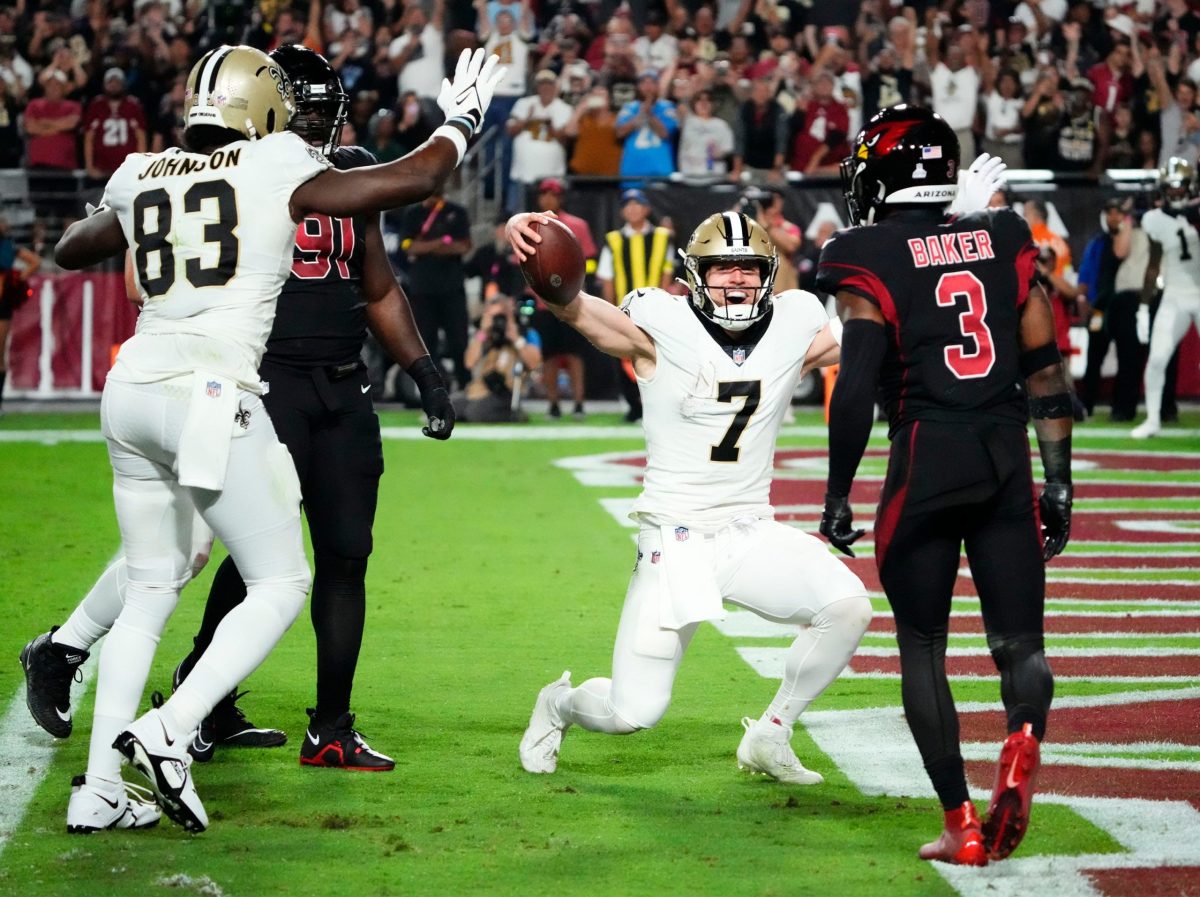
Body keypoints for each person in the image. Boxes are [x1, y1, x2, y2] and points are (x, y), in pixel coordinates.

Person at [39, 44, 503, 834]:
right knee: (282, 580)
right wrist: (464, 117)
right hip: (210, 388)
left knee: (157, 581)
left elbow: (73, 247)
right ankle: (172, 728)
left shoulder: (141, 170)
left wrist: (150, 209)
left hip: (130, 391)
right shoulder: (275, 162)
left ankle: (100, 784)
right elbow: (421, 176)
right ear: (263, 108)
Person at [509, 207, 872, 783]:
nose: (736, 279)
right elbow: (575, 307)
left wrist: (918, 241)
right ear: (693, 273)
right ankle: (559, 703)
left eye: (748, 269)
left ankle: (771, 734)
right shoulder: (661, 322)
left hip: (749, 530)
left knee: (848, 607)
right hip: (675, 537)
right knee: (632, 713)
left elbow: (874, 327)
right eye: (722, 267)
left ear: (769, 273)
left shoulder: (794, 322)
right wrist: (538, 261)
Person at [817, 105, 1073, 866]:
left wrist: (836, 494)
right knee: (1021, 644)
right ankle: (1023, 739)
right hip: (1005, 456)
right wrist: (1058, 483)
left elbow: (856, 384)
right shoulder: (1004, 237)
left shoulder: (861, 252)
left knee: (923, 645)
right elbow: (1047, 370)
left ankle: (961, 822)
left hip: (926, 457)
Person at [1133, 157, 1200, 438]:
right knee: (1158, 357)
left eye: (1180, 186)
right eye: (1170, 187)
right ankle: (1153, 419)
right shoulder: (1153, 219)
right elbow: (1153, 265)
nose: (1175, 192)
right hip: (1174, 294)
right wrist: (1144, 308)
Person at [596, 188, 675, 422]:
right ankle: (633, 405)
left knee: (659, 358)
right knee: (623, 358)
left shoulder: (662, 237)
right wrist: (612, 311)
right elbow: (607, 278)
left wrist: (664, 307)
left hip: (655, 311)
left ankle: (657, 404)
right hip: (625, 311)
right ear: (622, 211)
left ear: (647, 209)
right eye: (627, 205)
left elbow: (666, 273)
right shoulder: (614, 240)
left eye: (637, 204)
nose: (632, 209)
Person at [530, 178, 597, 419]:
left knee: (574, 354)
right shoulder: (531, 224)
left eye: (553, 195)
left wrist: (576, 287)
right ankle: (553, 404)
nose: (548, 199)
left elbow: (588, 260)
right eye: (544, 195)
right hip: (543, 301)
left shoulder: (577, 225)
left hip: (571, 300)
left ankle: (579, 403)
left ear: (560, 198)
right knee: (548, 355)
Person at [396, 186, 473, 389]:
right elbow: (406, 247)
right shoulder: (412, 214)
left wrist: (424, 247)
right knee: (425, 342)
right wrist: (440, 243)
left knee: (459, 341)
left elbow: (463, 246)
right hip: (422, 289)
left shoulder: (456, 212)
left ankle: (465, 386)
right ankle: (432, 388)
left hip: (452, 288)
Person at [452, 293, 542, 422]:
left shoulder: (526, 333)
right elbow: (469, 363)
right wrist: (483, 332)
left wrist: (516, 339)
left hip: (506, 392)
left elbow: (534, 363)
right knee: (448, 409)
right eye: (494, 317)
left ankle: (516, 415)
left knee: (474, 413)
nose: (499, 321)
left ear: (510, 313)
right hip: (480, 390)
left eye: (502, 316)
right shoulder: (485, 336)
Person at [0, 215, 40, 412]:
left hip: (2, 304)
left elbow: (34, 262)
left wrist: (15, 281)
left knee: (0, 354)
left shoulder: (8, 247)